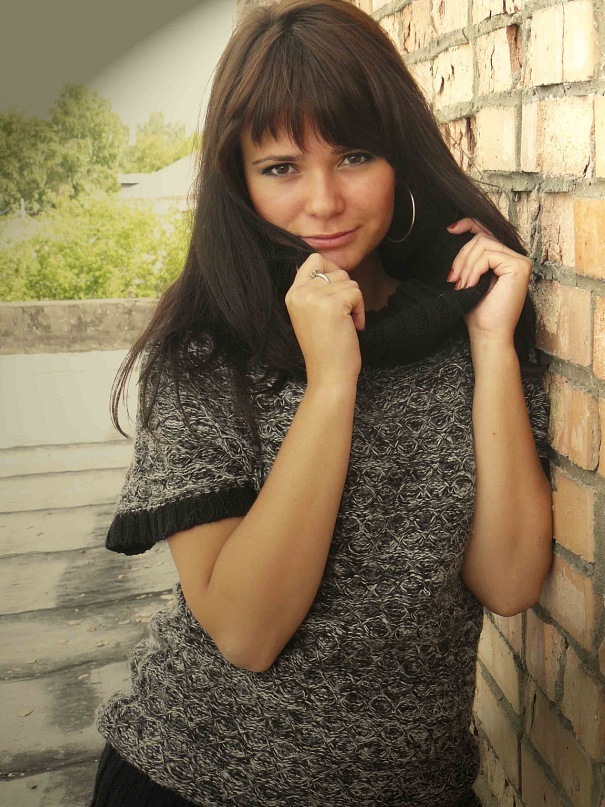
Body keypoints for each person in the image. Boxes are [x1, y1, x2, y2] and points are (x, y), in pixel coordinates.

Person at [90, 1, 553, 805]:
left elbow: (508, 580)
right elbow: (246, 632)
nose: (324, 201)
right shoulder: (204, 356)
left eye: (354, 156)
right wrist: (332, 381)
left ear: (399, 158)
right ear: (238, 181)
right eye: (280, 168)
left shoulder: (464, 322)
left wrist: (488, 344)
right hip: (198, 783)